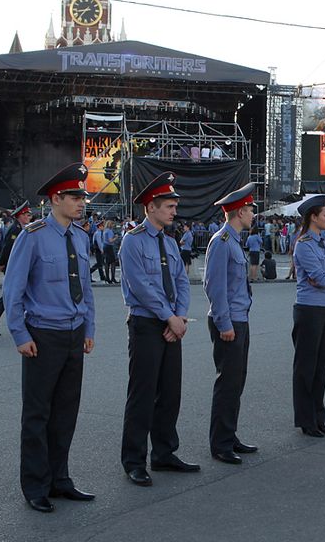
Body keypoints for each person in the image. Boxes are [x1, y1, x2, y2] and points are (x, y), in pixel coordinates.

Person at [3, 163, 96, 513]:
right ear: (55, 198)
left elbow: (85, 289)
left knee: (66, 412)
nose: (80, 202)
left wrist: (89, 328)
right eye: (74, 197)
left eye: (82, 197)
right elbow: (14, 289)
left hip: (73, 334)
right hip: (42, 334)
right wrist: (19, 333)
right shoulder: (33, 235)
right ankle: (35, 485)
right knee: (38, 413)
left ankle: (60, 478)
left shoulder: (81, 236)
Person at [120, 172, 200, 486]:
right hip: (146, 324)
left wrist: (178, 317)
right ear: (151, 207)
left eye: (174, 205)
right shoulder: (133, 241)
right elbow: (140, 286)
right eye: (168, 205)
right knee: (142, 394)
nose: (173, 211)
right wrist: (169, 317)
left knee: (170, 393)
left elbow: (181, 281)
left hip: (171, 324)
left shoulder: (169, 242)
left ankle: (165, 453)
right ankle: (134, 461)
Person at [205, 182, 260, 464]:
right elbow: (215, 287)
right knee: (227, 382)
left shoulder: (234, 240)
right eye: (250, 209)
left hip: (240, 319)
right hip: (229, 323)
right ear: (239, 212)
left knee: (236, 381)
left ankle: (230, 433)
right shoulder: (222, 242)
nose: (253, 213)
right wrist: (224, 323)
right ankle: (220, 443)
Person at [292, 195, 325, 437]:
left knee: (322, 364)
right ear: (313, 217)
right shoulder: (304, 244)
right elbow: (322, 278)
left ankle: (318, 417)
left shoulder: (323, 242)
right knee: (306, 367)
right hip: (309, 309)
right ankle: (306, 420)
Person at [0, 202, 32, 336]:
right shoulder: (15, 229)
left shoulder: (18, 227)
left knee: (10, 295)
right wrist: (2, 264)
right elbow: (8, 248)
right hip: (13, 266)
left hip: (15, 265)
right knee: (13, 295)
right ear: (20, 215)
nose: (29, 217)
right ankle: (21, 325)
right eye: (27, 215)